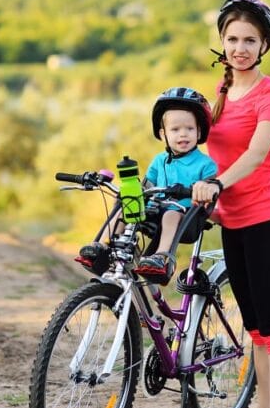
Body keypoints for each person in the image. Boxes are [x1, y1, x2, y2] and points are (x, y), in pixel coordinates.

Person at [190, 0, 270, 408]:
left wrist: (216, 184)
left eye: (250, 40)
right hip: (230, 218)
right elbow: (205, 151)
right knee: (254, 327)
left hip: (267, 218)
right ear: (222, 41)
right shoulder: (221, 91)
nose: (239, 48)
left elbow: (255, 155)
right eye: (232, 39)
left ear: (264, 44)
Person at [76, 87, 217, 285]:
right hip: (155, 211)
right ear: (163, 134)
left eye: (190, 129)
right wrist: (131, 191)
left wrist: (202, 189)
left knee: (171, 214)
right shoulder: (159, 161)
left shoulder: (205, 164)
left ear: (199, 131)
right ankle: (101, 246)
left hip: (186, 217)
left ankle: (160, 256)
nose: (183, 135)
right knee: (128, 205)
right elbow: (146, 185)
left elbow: (210, 189)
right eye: (175, 130)